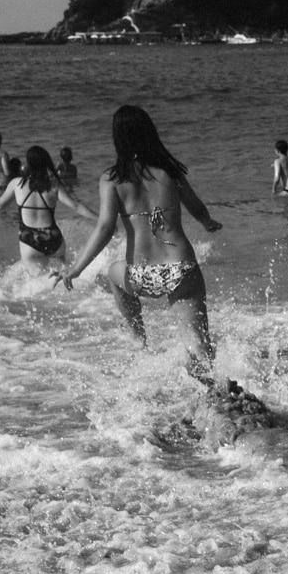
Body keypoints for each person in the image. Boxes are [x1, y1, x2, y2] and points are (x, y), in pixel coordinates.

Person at [53, 105, 223, 381]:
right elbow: (196, 206)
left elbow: (105, 228)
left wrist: (76, 268)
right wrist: (208, 222)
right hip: (181, 269)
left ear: (118, 138)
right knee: (198, 343)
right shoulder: (169, 172)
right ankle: (217, 388)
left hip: (141, 275)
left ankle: (139, 339)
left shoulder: (111, 179)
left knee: (113, 272)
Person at [0, 145, 97, 269]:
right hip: (53, 238)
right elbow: (76, 206)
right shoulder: (54, 186)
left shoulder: (16, 184)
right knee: (64, 273)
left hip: (29, 240)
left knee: (36, 279)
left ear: (28, 164)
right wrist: (99, 218)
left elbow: (0, 203)